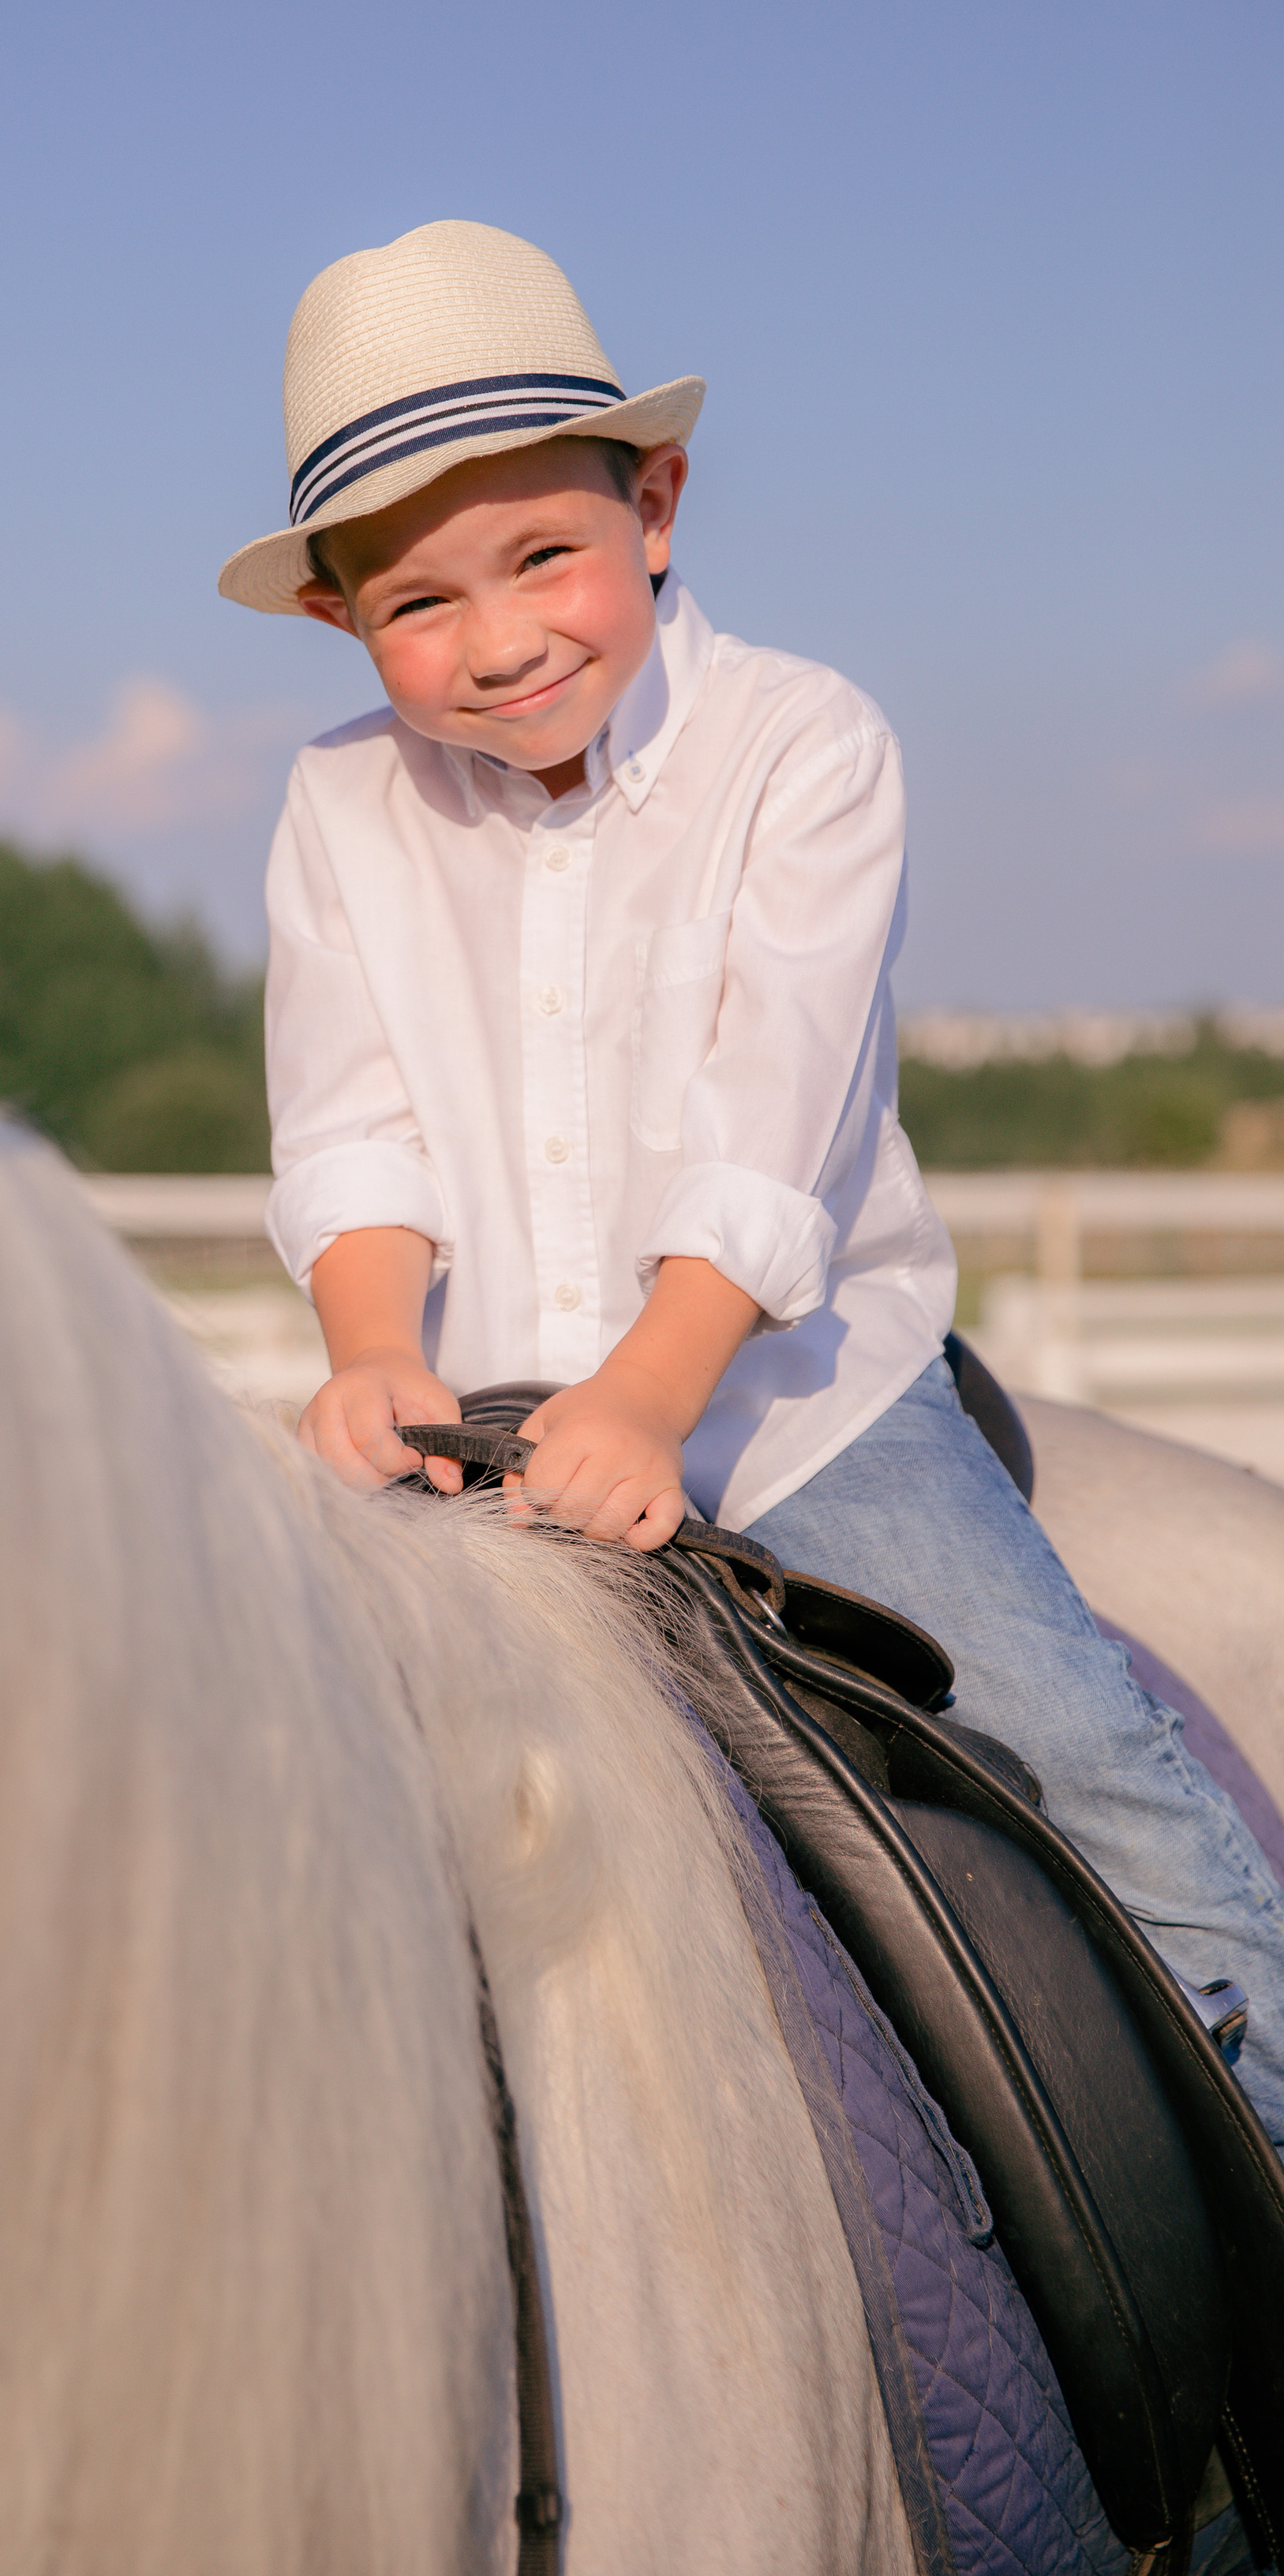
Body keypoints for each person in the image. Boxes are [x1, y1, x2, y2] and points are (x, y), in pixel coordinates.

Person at [217, 216, 1284, 2152]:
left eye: (542, 555)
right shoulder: (335, 803)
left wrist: (648, 1391)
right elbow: (351, 1116)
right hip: (479, 1416)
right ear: (337, 623)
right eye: (416, 604)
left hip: (794, 1409)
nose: (500, 640)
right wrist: (370, 1341)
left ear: (656, 503)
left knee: (1092, 1765)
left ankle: (1263, 2172)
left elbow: (763, 1127)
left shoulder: (802, 747)